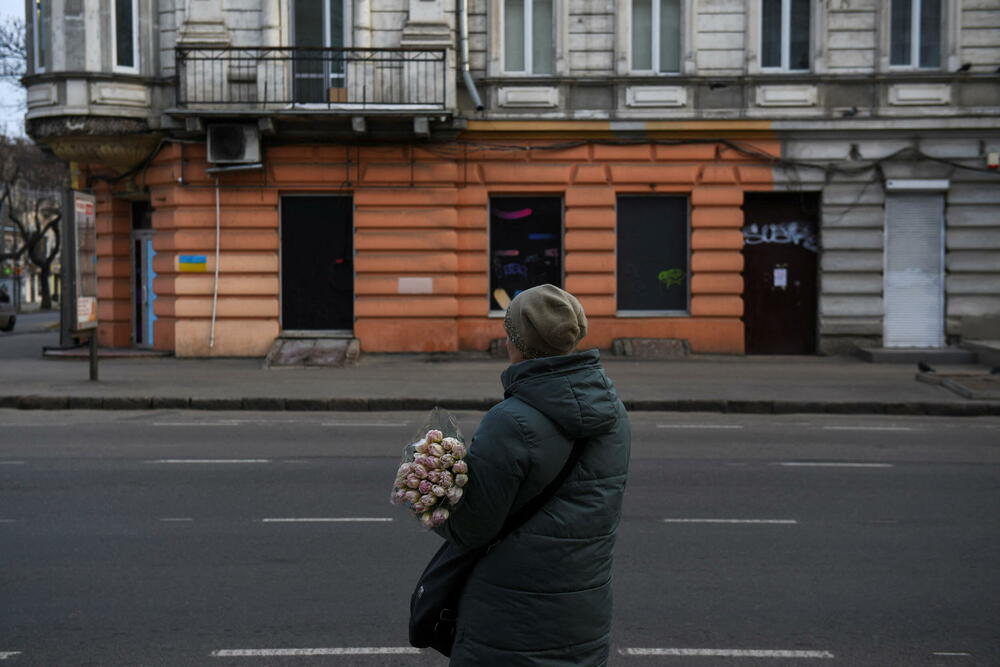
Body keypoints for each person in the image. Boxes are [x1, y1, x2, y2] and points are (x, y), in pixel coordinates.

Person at [434, 284, 631, 665]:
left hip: (509, 620)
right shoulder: (614, 414)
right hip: (584, 613)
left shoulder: (509, 421)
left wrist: (432, 495)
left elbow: (472, 529)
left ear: (517, 342)